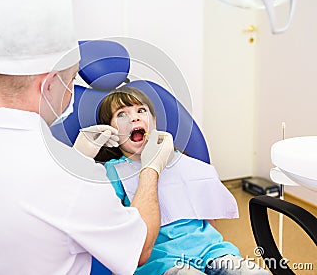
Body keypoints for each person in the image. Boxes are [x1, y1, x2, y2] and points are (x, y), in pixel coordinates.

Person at [0, 0, 175, 275]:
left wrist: (78, 158)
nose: (71, 94)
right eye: (70, 81)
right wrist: (150, 169)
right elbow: (141, 248)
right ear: (49, 83)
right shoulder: (66, 174)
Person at [95, 86, 270, 275]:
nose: (134, 118)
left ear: (153, 122)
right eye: (122, 114)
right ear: (110, 131)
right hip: (160, 259)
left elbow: (206, 213)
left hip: (210, 250)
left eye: (141, 111)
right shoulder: (113, 171)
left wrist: (213, 244)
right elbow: (113, 227)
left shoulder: (181, 160)